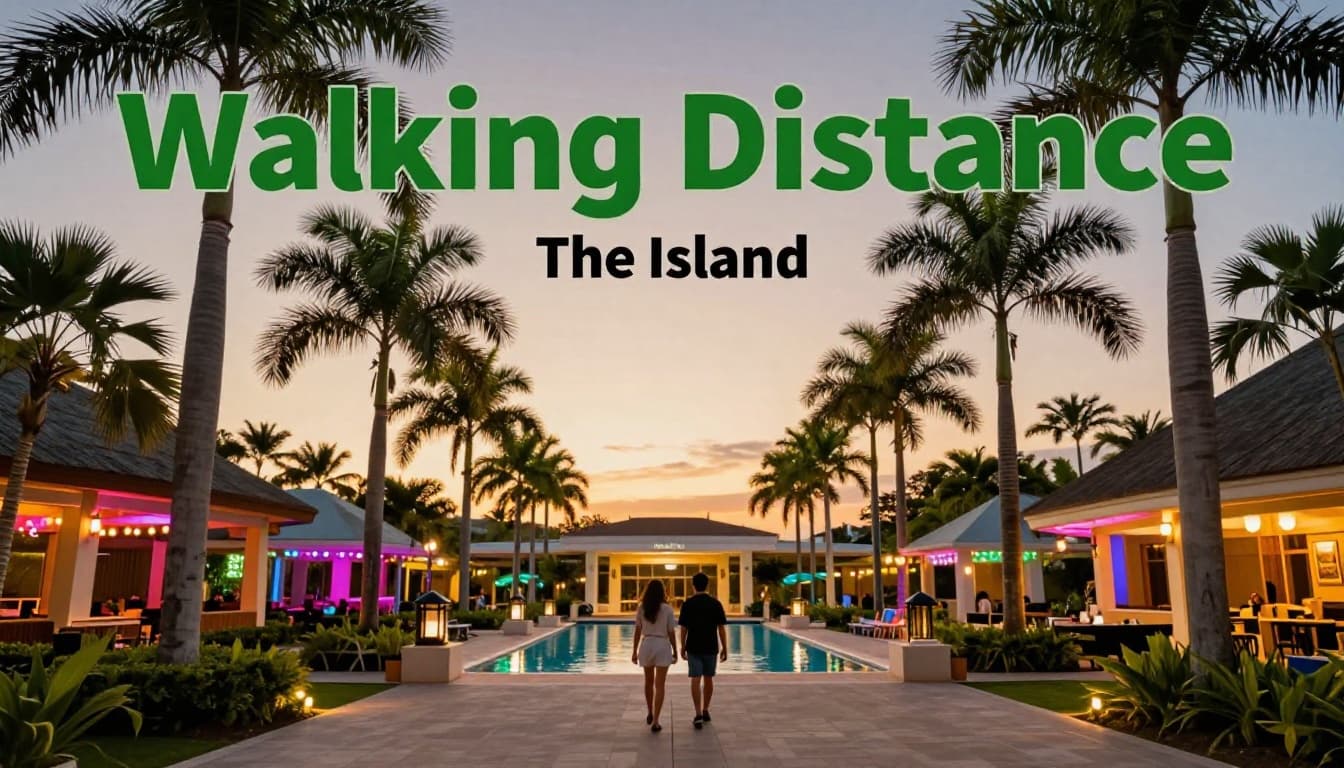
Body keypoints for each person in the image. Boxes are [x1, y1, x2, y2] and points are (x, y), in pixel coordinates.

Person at [678, 572, 727, 730]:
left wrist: (682, 646)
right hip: (711, 646)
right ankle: (706, 709)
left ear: (693, 585)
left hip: (694, 646)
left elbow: (683, 629)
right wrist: (725, 647)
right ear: (707, 585)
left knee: (695, 678)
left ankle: (698, 713)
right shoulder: (715, 603)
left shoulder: (688, 604)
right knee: (708, 678)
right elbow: (721, 628)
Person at [631, 579, 676, 733]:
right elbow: (671, 632)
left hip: (647, 644)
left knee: (648, 682)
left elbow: (637, 631)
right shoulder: (668, 609)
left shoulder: (641, 608)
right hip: (662, 645)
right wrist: (676, 650)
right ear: (662, 592)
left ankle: (650, 711)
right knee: (660, 685)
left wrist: (634, 651)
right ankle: (656, 720)